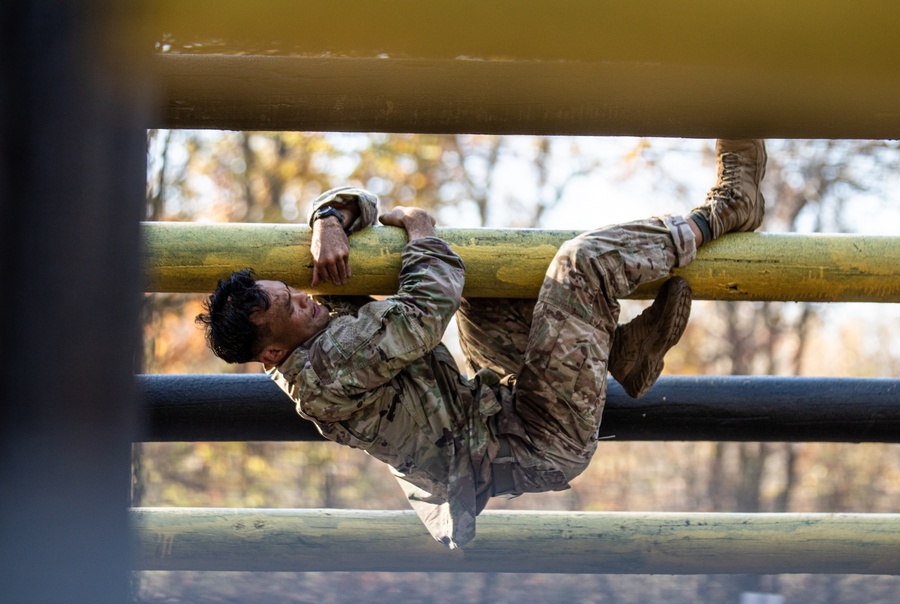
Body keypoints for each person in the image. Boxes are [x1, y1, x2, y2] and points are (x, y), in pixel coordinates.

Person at [196, 139, 767, 548]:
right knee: (582, 264)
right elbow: (424, 312)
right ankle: (724, 211)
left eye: (292, 290)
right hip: (540, 435)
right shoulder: (327, 368)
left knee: (482, 286)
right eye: (291, 306)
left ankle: (615, 353)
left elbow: (366, 209)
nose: (306, 298)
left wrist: (328, 216)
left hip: (491, 405)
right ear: (272, 352)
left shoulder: (309, 336)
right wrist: (420, 230)